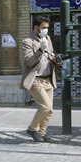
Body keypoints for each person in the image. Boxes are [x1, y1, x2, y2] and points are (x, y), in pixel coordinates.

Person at [20, 15, 56, 143]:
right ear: (36, 28)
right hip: (35, 79)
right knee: (45, 106)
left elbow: (51, 55)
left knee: (50, 110)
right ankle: (32, 129)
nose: (46, 30)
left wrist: (56, 59)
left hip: (48, 79)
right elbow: (29, 61)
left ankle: (42, 133)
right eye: (44, 28)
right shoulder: (27, 42)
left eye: (47, 28)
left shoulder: (47, 38)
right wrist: (41, 49)